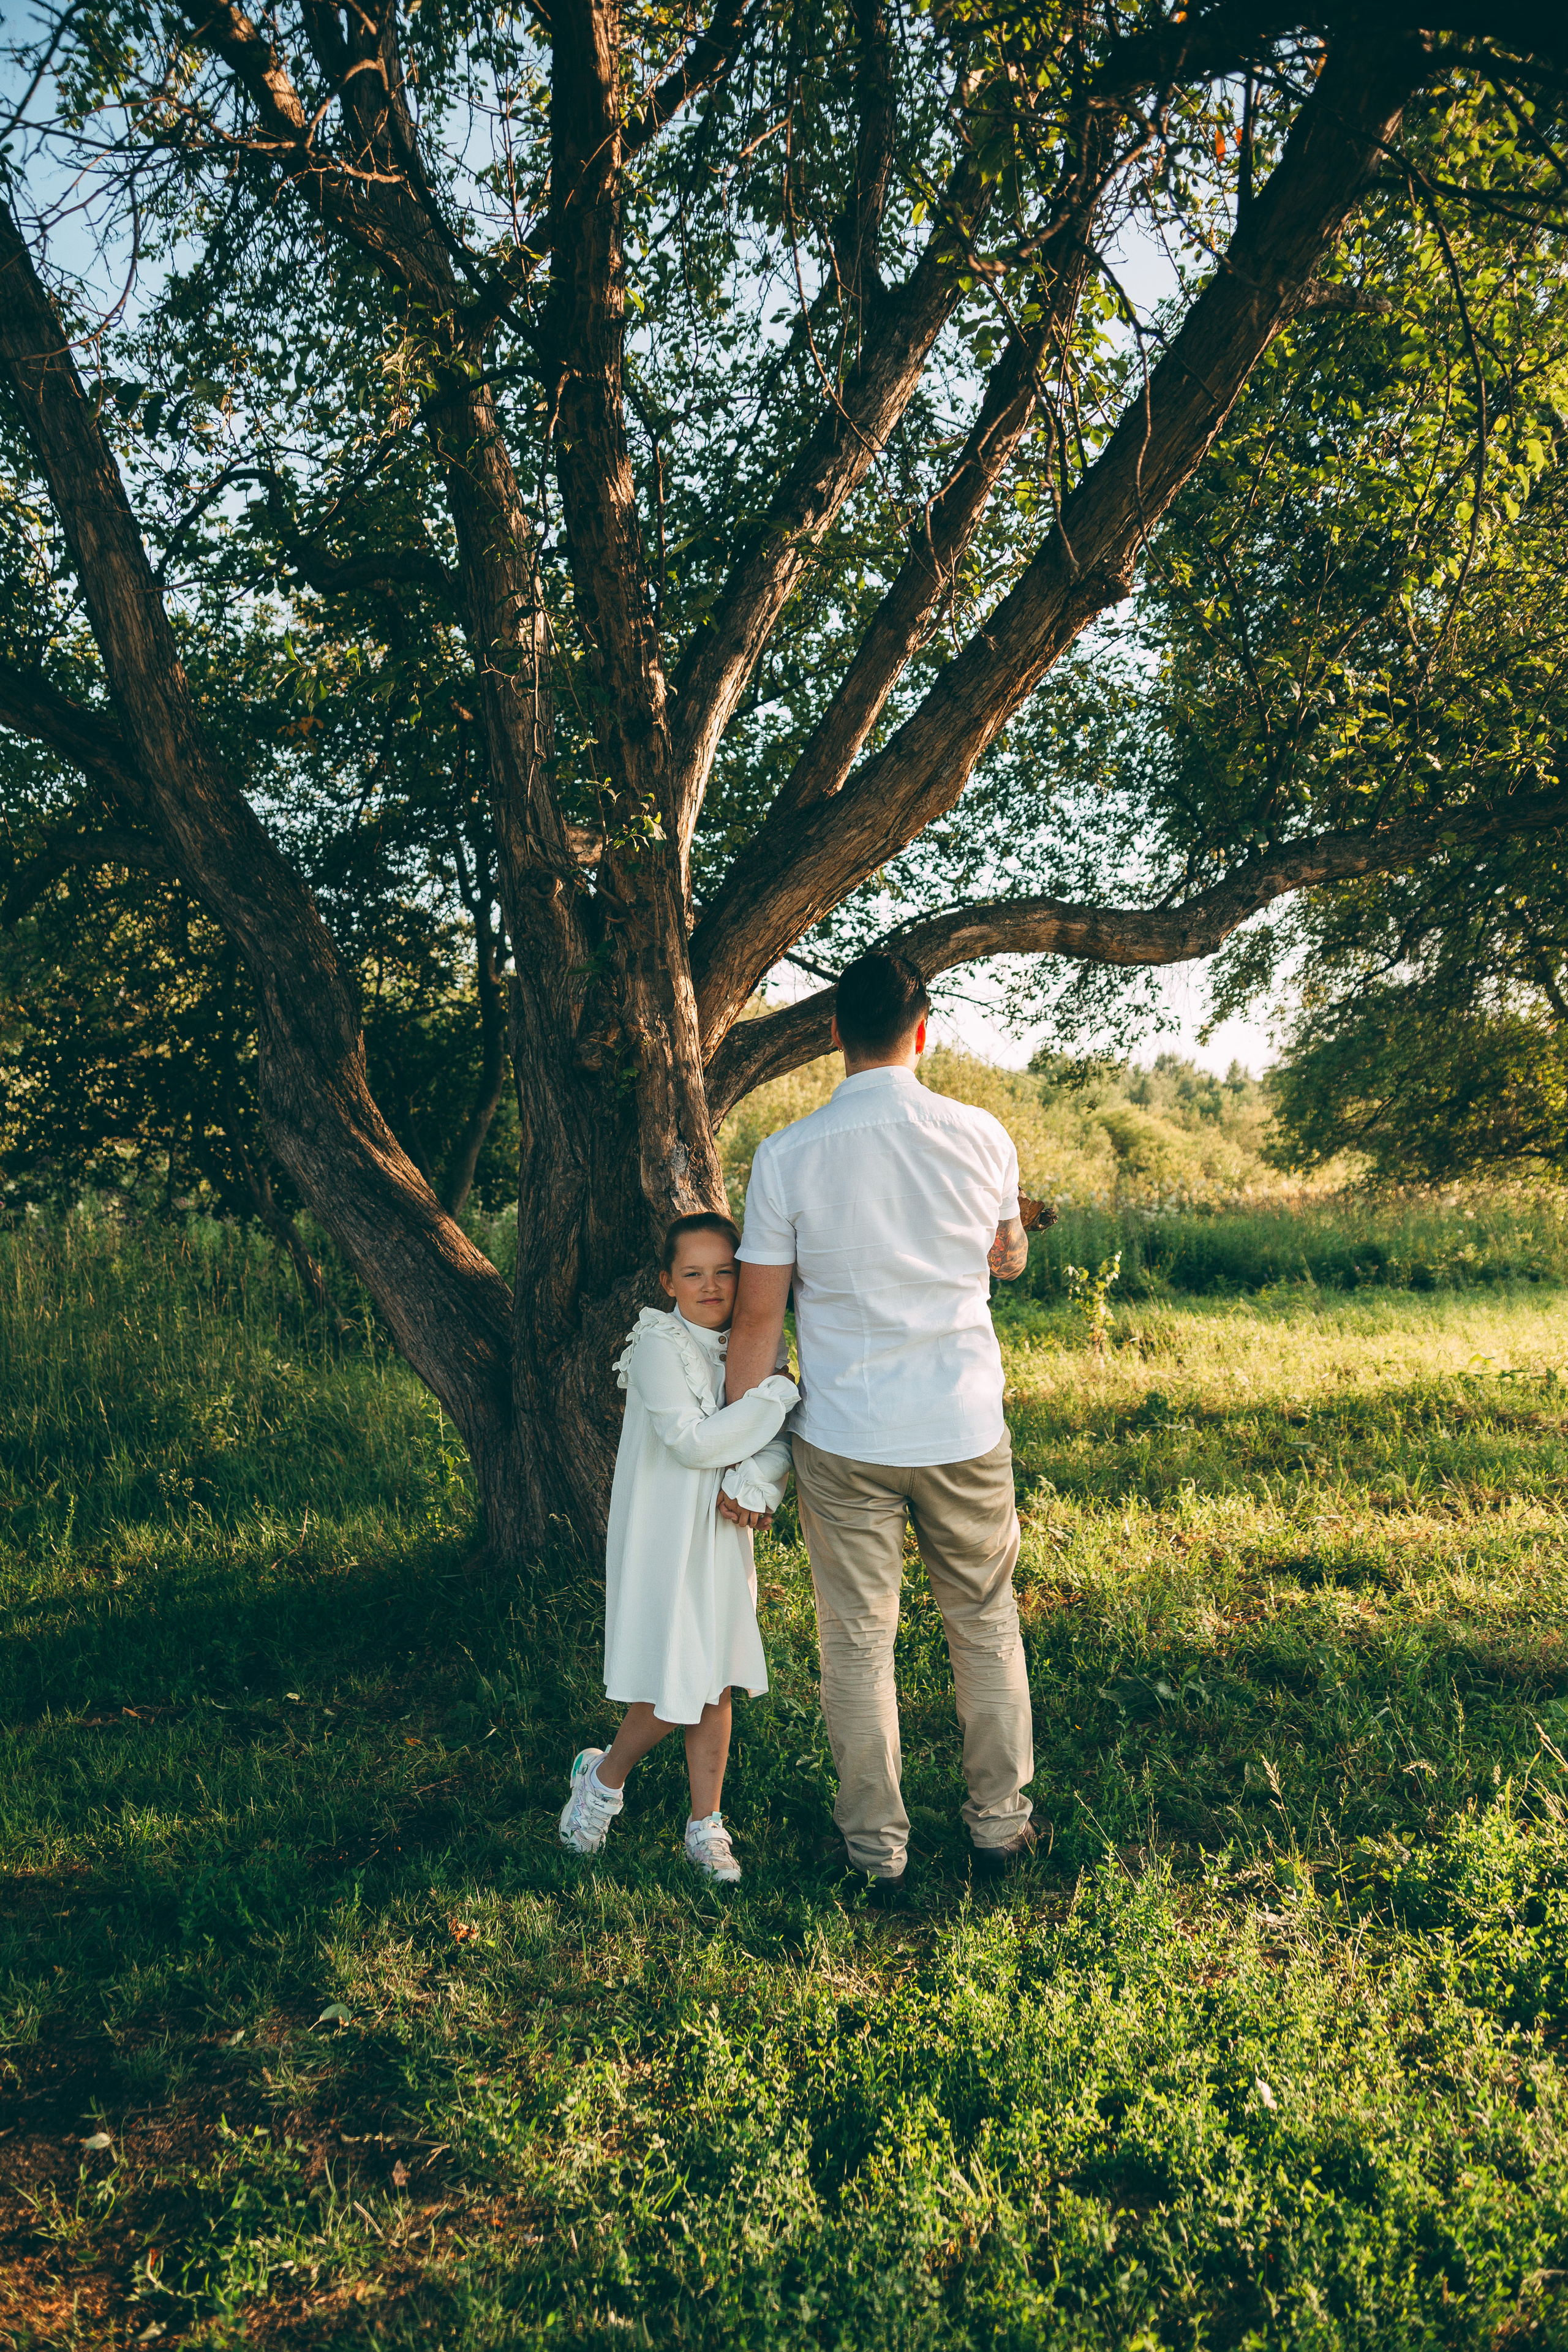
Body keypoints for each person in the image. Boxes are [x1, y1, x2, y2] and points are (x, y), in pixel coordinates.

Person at [722, 951, 1035, 1894]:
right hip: (963, 1428)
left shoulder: (786, 1156)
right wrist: (1009, 1243)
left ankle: (875, 1855)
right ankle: (1000, 1830)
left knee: (856, 1641)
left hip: (846, 1436)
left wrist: (737, 1457)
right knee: (984, 1622)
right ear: (924, 1030)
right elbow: (1008, 1254)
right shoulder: (983, 1135)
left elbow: (758, 1321)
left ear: (832, 1034)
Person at [558, 1211, 799, 1884]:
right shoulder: (658, 1343)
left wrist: (755, 1488)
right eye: (693, 1273)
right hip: (664, 1532)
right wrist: (780, 1394)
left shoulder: (754, 1344)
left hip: (721, 1532)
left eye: (724, 1272)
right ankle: (602, 1782)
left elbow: (777, 1444)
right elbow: (693, 1443)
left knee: (715, 1677)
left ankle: (706, 1825)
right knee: (677, 1678)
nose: (710, 1285)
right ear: (668, 1281)